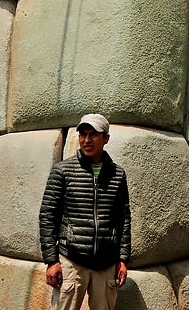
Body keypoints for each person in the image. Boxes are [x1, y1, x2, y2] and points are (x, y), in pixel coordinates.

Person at [40, 114, 131, 310]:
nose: (87, 140)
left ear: (105, 138)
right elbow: (48, 216)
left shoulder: (118, 175)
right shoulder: (63, 171)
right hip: (72, 261)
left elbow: (123, 219)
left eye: (93, 135)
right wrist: (51, 260)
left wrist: (122, 259)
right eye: (83, 134)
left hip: (106, 264)